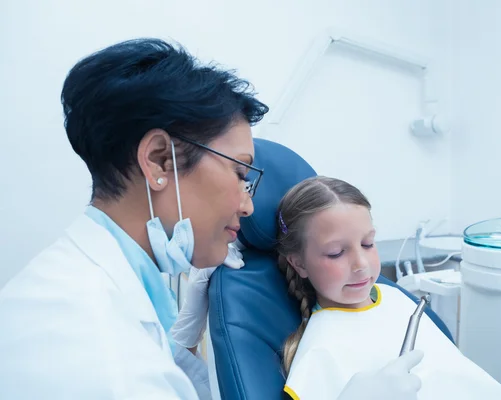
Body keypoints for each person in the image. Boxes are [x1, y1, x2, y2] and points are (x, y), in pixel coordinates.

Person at [0, 38, 428, 400]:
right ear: (158, 161)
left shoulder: (104, 290)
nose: (247, 205)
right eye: (241, 174)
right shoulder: (95, 351)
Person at [275, 176, 501, 400]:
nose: (361, 265)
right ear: (299, 263)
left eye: (367, 243)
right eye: (336, 252)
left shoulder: (395, 299)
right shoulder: (320, 350)